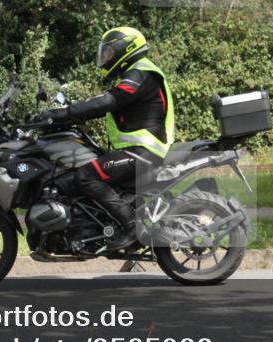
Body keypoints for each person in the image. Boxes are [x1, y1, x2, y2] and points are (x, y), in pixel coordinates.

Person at [31, 27, 174, 250]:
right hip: (135, 151)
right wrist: (65, 117)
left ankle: (132, 226)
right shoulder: (135, 73)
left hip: (142, 152)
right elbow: (104, 105)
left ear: (125, 49)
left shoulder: (141, 73)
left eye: (109, 52)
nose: (105, 57)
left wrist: (59, 115)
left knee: (86, 176)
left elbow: (108, 102)